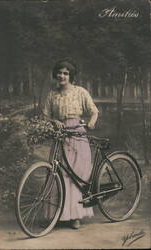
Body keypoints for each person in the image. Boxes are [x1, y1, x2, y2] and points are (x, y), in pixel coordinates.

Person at [43, 60, 99, 229]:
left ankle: (76, 216)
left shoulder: (80, 92)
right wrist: (54, 122)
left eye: (66, 73)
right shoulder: (52, 94)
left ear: (71, 76)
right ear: (56, 75)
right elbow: (46, 115)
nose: (62, 76)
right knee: (59, 173)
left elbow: (93, 111)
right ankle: (57, 215)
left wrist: (91, 122)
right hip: (60, 137)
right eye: (59, 72)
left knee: (75, 175)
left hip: (77, 136)